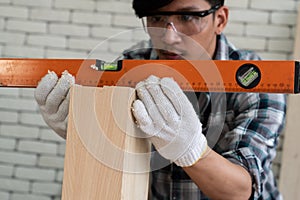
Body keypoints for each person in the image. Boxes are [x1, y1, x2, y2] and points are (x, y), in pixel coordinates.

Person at [34, 0, 286, 199]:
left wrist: (191, 151)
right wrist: (87, 130)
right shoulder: (132, 65)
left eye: (187, 17)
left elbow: (240, 192)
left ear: (219, 19)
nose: (169, 37)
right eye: (156, 18)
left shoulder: (256, 80)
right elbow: (117, 159)